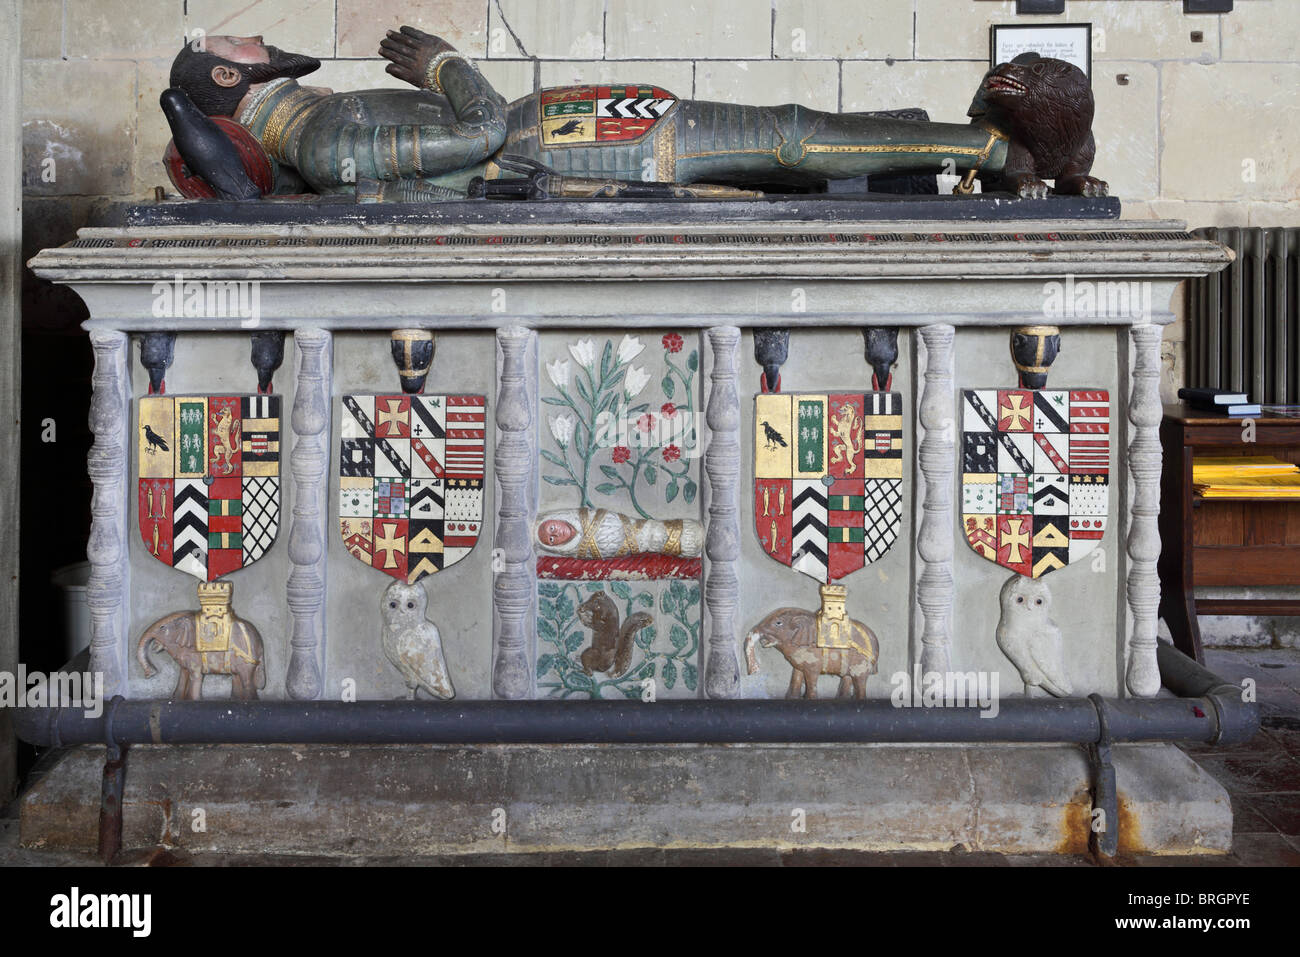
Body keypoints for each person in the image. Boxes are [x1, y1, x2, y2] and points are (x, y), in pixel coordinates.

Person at [168, 26, 1103, 202]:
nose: (254, 38)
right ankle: (987, 149)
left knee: (786, 139)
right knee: (783, 135)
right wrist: (443, 63)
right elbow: (482, 128)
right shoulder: (326, 139)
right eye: (240, 47)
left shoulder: (321, 130)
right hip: (568, 141)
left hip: (570, 130)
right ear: (226, 81)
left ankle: (965, 151)